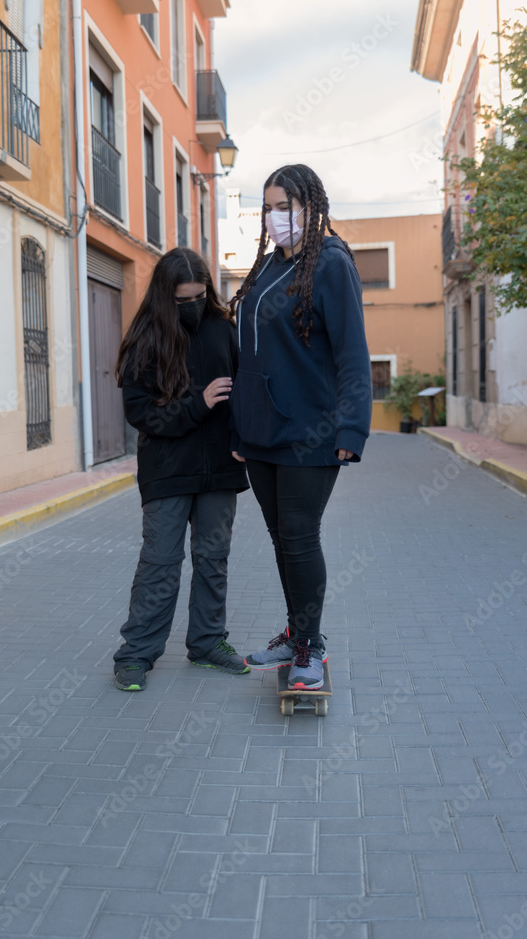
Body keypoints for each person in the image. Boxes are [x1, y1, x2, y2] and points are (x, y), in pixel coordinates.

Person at [229, 164, 372, 691]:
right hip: (260, 436)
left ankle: (311, 648)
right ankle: (296, 633)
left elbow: (354, 355)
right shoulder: (265, 269)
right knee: (281, 541)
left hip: (311, 434)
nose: (275, 218)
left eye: (285, 207)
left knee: (300, 538)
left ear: (311, 208)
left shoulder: (332, 264)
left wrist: (351, 431)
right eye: (268, 208)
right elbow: (248, 356)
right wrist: (239, 432)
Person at [112, 247, 250, 691]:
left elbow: (245, 392)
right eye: (182, 299)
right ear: (164, 295)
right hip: (167, 470)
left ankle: (208, 643)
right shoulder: (145, 337)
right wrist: (198, 404)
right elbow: (140, 413)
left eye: (198, 296)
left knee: (214, 560)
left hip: (219, 470)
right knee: (160, 562)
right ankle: (135, 654)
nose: (191, 306)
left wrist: (244, 441)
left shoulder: (224, 330)